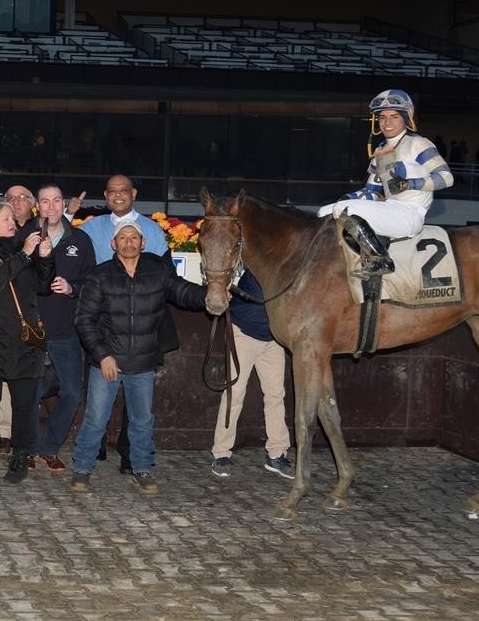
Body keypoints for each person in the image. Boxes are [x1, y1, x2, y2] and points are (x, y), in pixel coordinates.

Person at [69, 225, 209, 495]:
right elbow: (84, 321)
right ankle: (83, 468)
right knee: (96, 419)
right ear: (113, 244)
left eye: (134, 237)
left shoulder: (158, 272)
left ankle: (142, 469)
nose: (129, 242)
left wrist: (210, 295)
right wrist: (103, 355)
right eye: (123, 237)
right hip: (107, 362)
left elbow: (184, 292)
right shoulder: (99, 276)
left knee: (142, 420)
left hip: (143, 363)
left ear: (143, 243)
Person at [316, 90, 454, 276]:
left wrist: (409, 184)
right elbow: (371, 191)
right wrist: (346, 198)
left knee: (343, 209)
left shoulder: (419, 144)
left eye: (394, 117)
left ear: (406, 118)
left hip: (410, 214)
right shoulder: (380, 150)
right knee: (323, 212)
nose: (387, 123)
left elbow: (446, 178)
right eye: (382, 117)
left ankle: (380, 261)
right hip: (389, 209)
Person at [0, 201, 52, 484]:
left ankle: (21, 455)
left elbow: (43, 286)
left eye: (12, 218)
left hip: (26, 337)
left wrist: (44, 257)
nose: (12, 221)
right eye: (5, 218)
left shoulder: (23, 249)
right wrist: (26, 255)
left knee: (25, 402)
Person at [30, 185, 96, 474]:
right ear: (38, 206)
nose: (51, 206)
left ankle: (49, 449)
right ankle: (28, 449)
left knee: (71, 392)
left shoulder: (80, 240)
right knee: (29, 393)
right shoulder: (25, 238)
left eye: (57, 200)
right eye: (45, 201)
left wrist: (72, 289)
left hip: (66, 331)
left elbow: (91, 285)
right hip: (31, 331)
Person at [208, 269, 293, 482]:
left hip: (274, 337)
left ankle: (277, 452)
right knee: (234, 394)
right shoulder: (259, 262)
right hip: (244, 332)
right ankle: (221, 453)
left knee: (276, 395)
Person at [81, 175, 166, 262]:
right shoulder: (91, 227)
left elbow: (166, 268)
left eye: (123, 190)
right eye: (112, 191)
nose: (117, 195)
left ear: (133, 194)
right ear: (106, 195)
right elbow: (68, 245)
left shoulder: (153, 229)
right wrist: (69, 214)